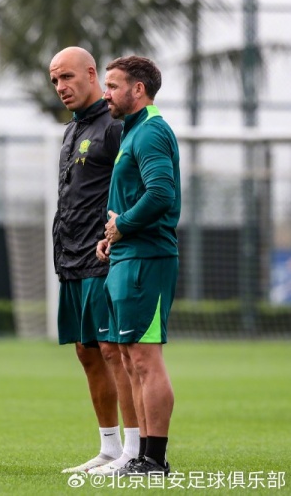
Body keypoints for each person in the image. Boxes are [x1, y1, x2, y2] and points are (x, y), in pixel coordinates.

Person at [48, 47, 140, 475]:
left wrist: (119, 233)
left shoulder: (116, 127)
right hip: (71, 258)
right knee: (86, 352)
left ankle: (135, 450)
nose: (60, 86)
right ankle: (109, 447)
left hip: (104, 256)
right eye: (54, 80)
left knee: (112, 351)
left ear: (90, 74)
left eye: (66, 77)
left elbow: (137, 187)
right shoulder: (72, 130)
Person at [96, 55, 181, 476]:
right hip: (129, 256)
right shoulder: (132, 131)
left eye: (112, 86)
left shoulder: (151, 131)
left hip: (148, 259)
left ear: (138, 89)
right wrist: (112, 236)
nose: (105, 94)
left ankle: (155, 459)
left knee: (145, 359)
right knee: (130, 360)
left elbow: (161, 193)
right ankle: (141, 456)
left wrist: (123, 225)